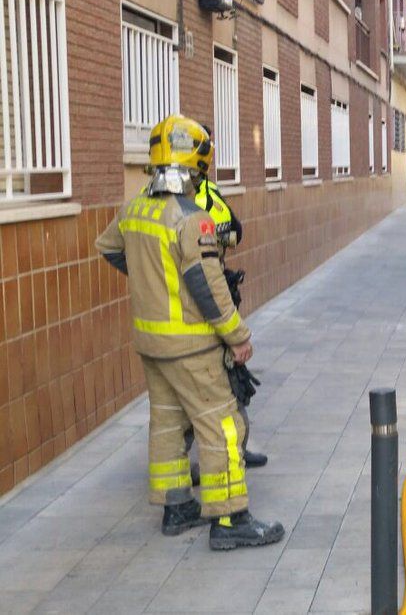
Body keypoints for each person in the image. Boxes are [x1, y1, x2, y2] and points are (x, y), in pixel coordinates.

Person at [95, 115, 285, 550]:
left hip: (150, 342)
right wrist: (237, 335)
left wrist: (153, 283)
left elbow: (107, 248)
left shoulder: (135, 209)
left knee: (166, 422)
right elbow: (207, 286)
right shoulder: (191, 220)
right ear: (194, 166)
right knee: (222, 426)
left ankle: (176, 507)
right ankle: (229, 519)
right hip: (190, 345)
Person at [187, 178, 268, 472]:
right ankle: (225, 473)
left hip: (194, 324)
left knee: (230, 393)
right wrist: (236, 336)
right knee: (223, 401)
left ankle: (235, 455)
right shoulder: (182, 204)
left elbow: (236, 231)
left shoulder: (206, 192)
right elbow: (207, 285)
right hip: (198, 328)